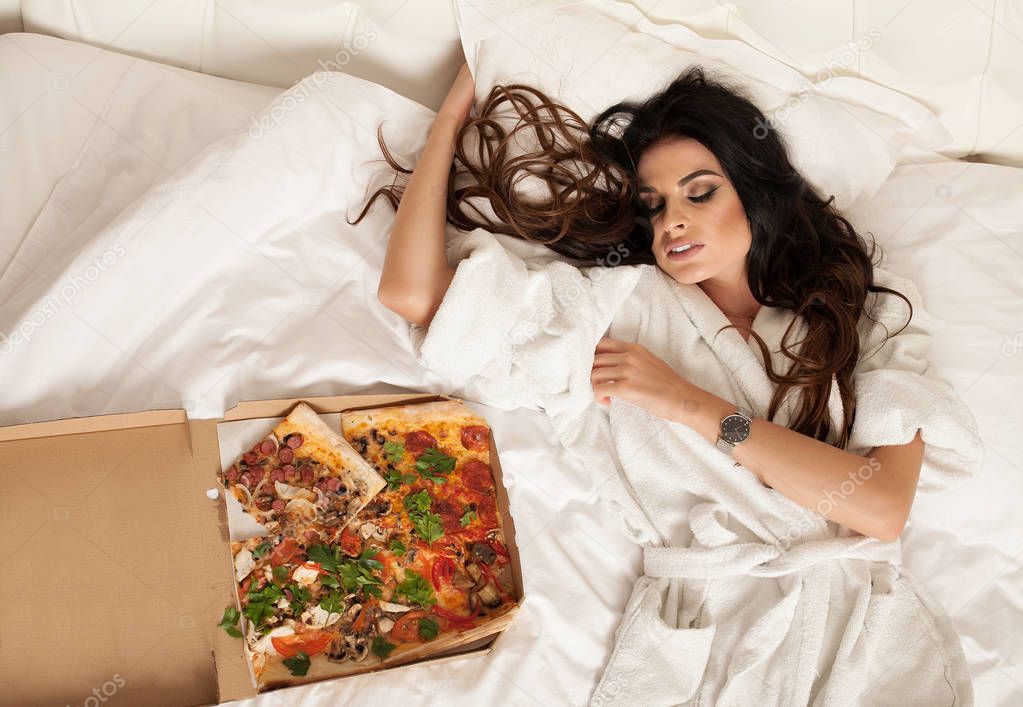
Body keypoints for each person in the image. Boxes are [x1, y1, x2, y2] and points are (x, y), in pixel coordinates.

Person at [355, 63, 981, 705]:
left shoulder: (863, 314)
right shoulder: (619, 309)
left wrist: (690, 404)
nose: (670, 222)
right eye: (653, 206)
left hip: (864, 640)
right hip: (704, 641)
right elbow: (410, 292)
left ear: (757, 194)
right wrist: (447, 121)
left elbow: (879, 509)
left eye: (699, 193)